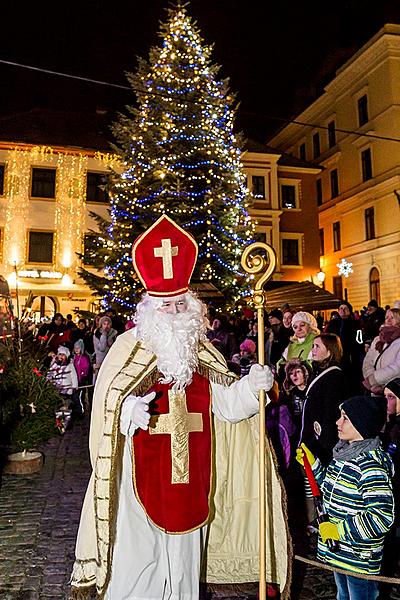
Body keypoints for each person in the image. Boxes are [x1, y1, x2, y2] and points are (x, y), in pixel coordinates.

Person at [70, 215, 290, 599]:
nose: (173, 314)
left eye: (179, 305)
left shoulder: (200, 351)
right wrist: (125, 412)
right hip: (136, 483)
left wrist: (250, 389)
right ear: (148, 308)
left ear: (192, 306)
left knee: (185, 573)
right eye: (165, 306)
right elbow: (105, 405)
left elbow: (225, 407)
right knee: (138, 568)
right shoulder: (126, 349)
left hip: (191, 485)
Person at [297, 396, 394, 600]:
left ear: (362, 424)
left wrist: (339, 530)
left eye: (345, 418)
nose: (337, 422)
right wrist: (312, 465)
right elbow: (328, 488)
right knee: (342, 595)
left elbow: (381, 516)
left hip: (358, 557)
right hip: (340, 551)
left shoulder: (371, 468)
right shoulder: (344, 455)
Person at [298, 333, 347, 529]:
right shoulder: (320, 373)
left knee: (318, 485)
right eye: (313, 346)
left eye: (318, 346)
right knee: (309, 483)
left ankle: (321, 522)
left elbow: (330, 412)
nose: (313, 350)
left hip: (322, 443)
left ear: (330, 350)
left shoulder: (335, 376)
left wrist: (322, 445)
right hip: (312, 439)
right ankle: (313, 520)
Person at [362, 307, 400, 396]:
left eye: (392, 317)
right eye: (386, 317)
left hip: (394, 389)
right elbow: (368, 361)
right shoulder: (378, 339)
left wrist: (374, 379)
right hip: (375, 389)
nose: (388, 320)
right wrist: (372, 382)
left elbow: (397, 367)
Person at [92, 315, 118, 384]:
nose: (106, 326)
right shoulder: (97, 335)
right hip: (100, 362)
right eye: (104, 324)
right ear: (101, 325)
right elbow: (102, 348)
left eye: (108, 324)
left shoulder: (114, 334)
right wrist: (104, 335)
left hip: (111, 361)